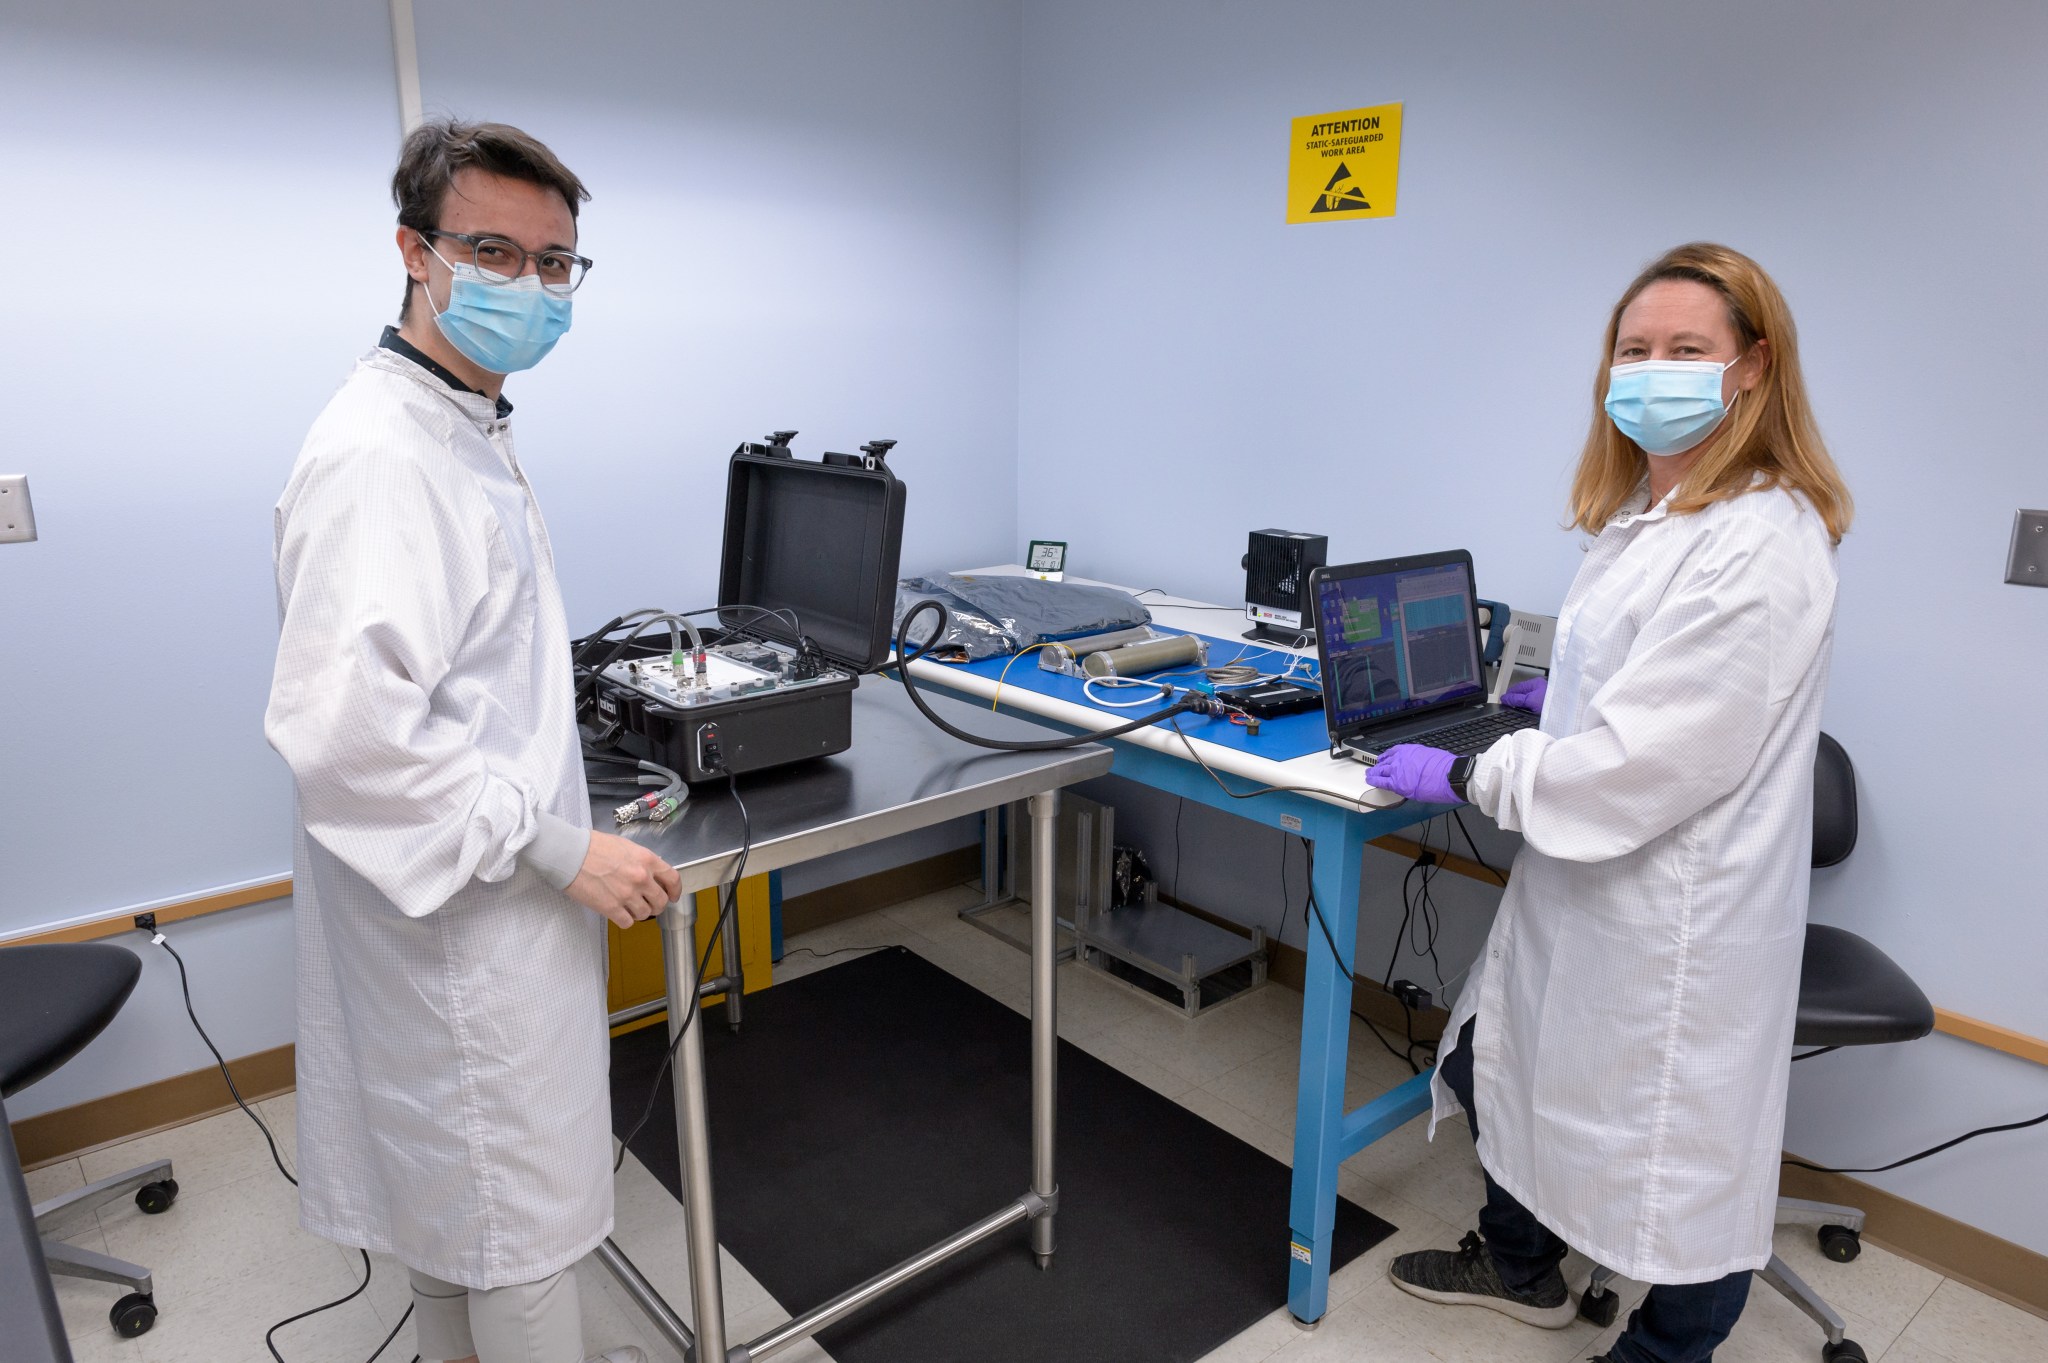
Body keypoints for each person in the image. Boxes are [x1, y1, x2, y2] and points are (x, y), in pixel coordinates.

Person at [1364, 242, 1852, 1363]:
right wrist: (1552, 695)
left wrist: (1475, 768)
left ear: (1750, 369)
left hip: (1675, 914)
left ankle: (1668, 1347)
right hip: (1588, 887)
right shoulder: (1651, 513)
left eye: (1685, 349)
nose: (1651, 371)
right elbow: (1640, 690)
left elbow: (1642, 764)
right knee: (1507, 1055)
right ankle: (1518, 1262)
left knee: (1685, 1165)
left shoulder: (1757, 544)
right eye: (1633, 350)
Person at [265, 119, 680, 1363]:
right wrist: (560, 848)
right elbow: (347, 737)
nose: (532, 287)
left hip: (469, 894)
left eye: (556, 264)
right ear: (415, 250)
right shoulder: (383, 456)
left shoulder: (459, 422)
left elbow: (458, 681)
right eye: (494, 252)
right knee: (520, 1216)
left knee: (464, 1201)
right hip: (465, 911)